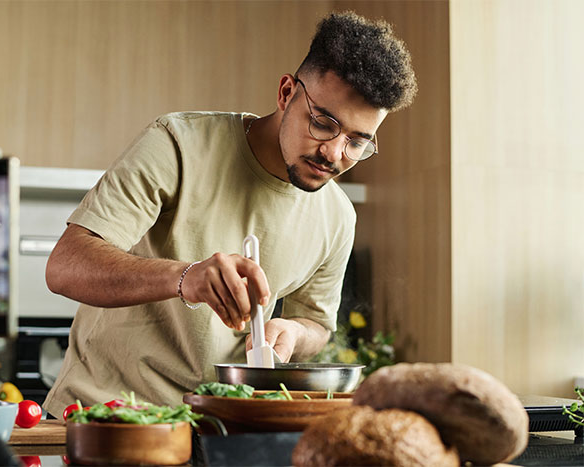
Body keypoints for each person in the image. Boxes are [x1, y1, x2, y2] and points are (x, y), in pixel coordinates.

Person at [42, 10, 417, 414]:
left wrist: (291, 331)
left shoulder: (338, 216)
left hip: (223, 428)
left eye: (357, 142)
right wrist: (186, 277)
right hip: (104, 417)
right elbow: (65, 266)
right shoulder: (179, 144)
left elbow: (316, 324)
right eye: (323, 123)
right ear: (287, 93)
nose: (334, 152)